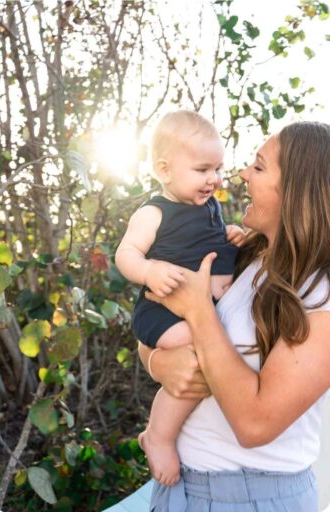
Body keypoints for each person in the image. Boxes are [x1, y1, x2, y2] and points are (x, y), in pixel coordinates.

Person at [142, 122, 330, 510]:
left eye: (259, 168)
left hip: (250, 497)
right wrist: (158, 363)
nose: (242, 173)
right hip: (180, 488)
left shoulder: (321, 293)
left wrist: (198, 311)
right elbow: (157, 327)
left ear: (296, 191)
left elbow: (255, 424)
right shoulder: (245, 259)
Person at [115, 110, 246, 485]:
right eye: (203, 169)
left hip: (196, 310)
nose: (214, 179)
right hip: (162, 312)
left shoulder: (209, 208)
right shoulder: (154, 212)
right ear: (165, 169)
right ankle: (158, 435)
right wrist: (150, 271)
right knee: (202, 350)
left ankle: (169, 432)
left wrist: (231, 235)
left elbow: (210, 242)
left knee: (207, 350)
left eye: (218, 169)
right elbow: (126, 255)